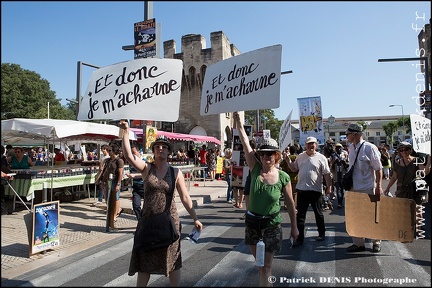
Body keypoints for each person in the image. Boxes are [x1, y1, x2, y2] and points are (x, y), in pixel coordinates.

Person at [119, 120, 203, 287]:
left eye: (164, 146)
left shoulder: (175, 172)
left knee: (172, 259)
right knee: (145, 260)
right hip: (148, 221)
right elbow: (128, 155)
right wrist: (125, 132)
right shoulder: (146, 169)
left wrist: (195, 218)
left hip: (169, 221)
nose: (160, 149)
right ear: (154, 151)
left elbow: (185, 197)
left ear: (168, 151)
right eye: (157, 146)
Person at [233, 112, 298, 287]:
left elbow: (291, 204)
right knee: (260, 265)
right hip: (253, 223)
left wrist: (294, 227)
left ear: (276, 156)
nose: (265, 157)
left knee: (266, 266)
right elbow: (245, 143)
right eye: (262, 154)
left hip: (272, 225)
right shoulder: (254, 169)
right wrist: (238, 122)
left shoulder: (283, 177)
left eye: (269, 154)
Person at [283, 136, 332, 247]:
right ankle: (300, 238)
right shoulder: (300, 156)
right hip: (302, 190)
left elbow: (327, 174)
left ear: (316, 145)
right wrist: (287, 160)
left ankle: (321, 233)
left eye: (313, 144)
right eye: (309, 144)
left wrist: (329, 187)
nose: (311, 146)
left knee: (318, 214)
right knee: (300, 215)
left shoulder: (321, 157)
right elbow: (293, 168)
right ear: (305, 145)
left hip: (316, 191)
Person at [345, 123, 383, 253]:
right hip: (354, 189)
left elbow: (378, 168)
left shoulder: (369, 148)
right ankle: (358, 243)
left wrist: (378, 186)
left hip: (368, 188)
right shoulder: (351, 147)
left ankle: (376, 242)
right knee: (355, 217)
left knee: (372, 216)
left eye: (348, 134)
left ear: (354, 134)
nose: (347, 136)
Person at [383, 141, 431, 226]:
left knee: (418, 211)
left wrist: (428, 163)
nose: (404, 152)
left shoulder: (416, 160)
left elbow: (424, 172)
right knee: (403, 211)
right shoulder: (397, 163)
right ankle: (406, 230)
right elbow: (394, 177)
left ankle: (418, 231)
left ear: (410, 150)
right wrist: (387, 188)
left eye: (406, 149)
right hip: (402, 190)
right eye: (401, 150)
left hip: (415, 190)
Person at [101, 144, 124, 224]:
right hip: (109, 181)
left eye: (110, 150)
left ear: (114, 151)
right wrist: (103, 181)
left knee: (116, 198)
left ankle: (114, 215)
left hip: (115, 181)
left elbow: (121, 173)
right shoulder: (108, 160)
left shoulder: (119, 161)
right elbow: (106, 171)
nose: (109, 152)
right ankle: (115, 211)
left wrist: (118, 183)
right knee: (108, 198)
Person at [128, 144, 145, 220]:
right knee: (136, 205)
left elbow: (147, 173)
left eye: (134, 152)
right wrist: (129, 179)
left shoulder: (144, 161)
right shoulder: (131, 163)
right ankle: (140, 221)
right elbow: (131, 173)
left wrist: (135, 175)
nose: (132, 154)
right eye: (131, 152)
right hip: (135, 187)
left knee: (149, 206)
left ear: (138, 152)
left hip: (145, 186)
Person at [330, 143, 349, 208]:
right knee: (338, 189)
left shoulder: (345, 155)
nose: (339, 149)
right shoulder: (333, 155)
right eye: (337, 147)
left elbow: (348, 166)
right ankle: (339, 202)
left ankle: (342, 201)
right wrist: (334, 162)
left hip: (343, 174)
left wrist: (344, 163)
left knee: (343, 189)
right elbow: (330, 167)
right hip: (336, 174)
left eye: (340, 147)